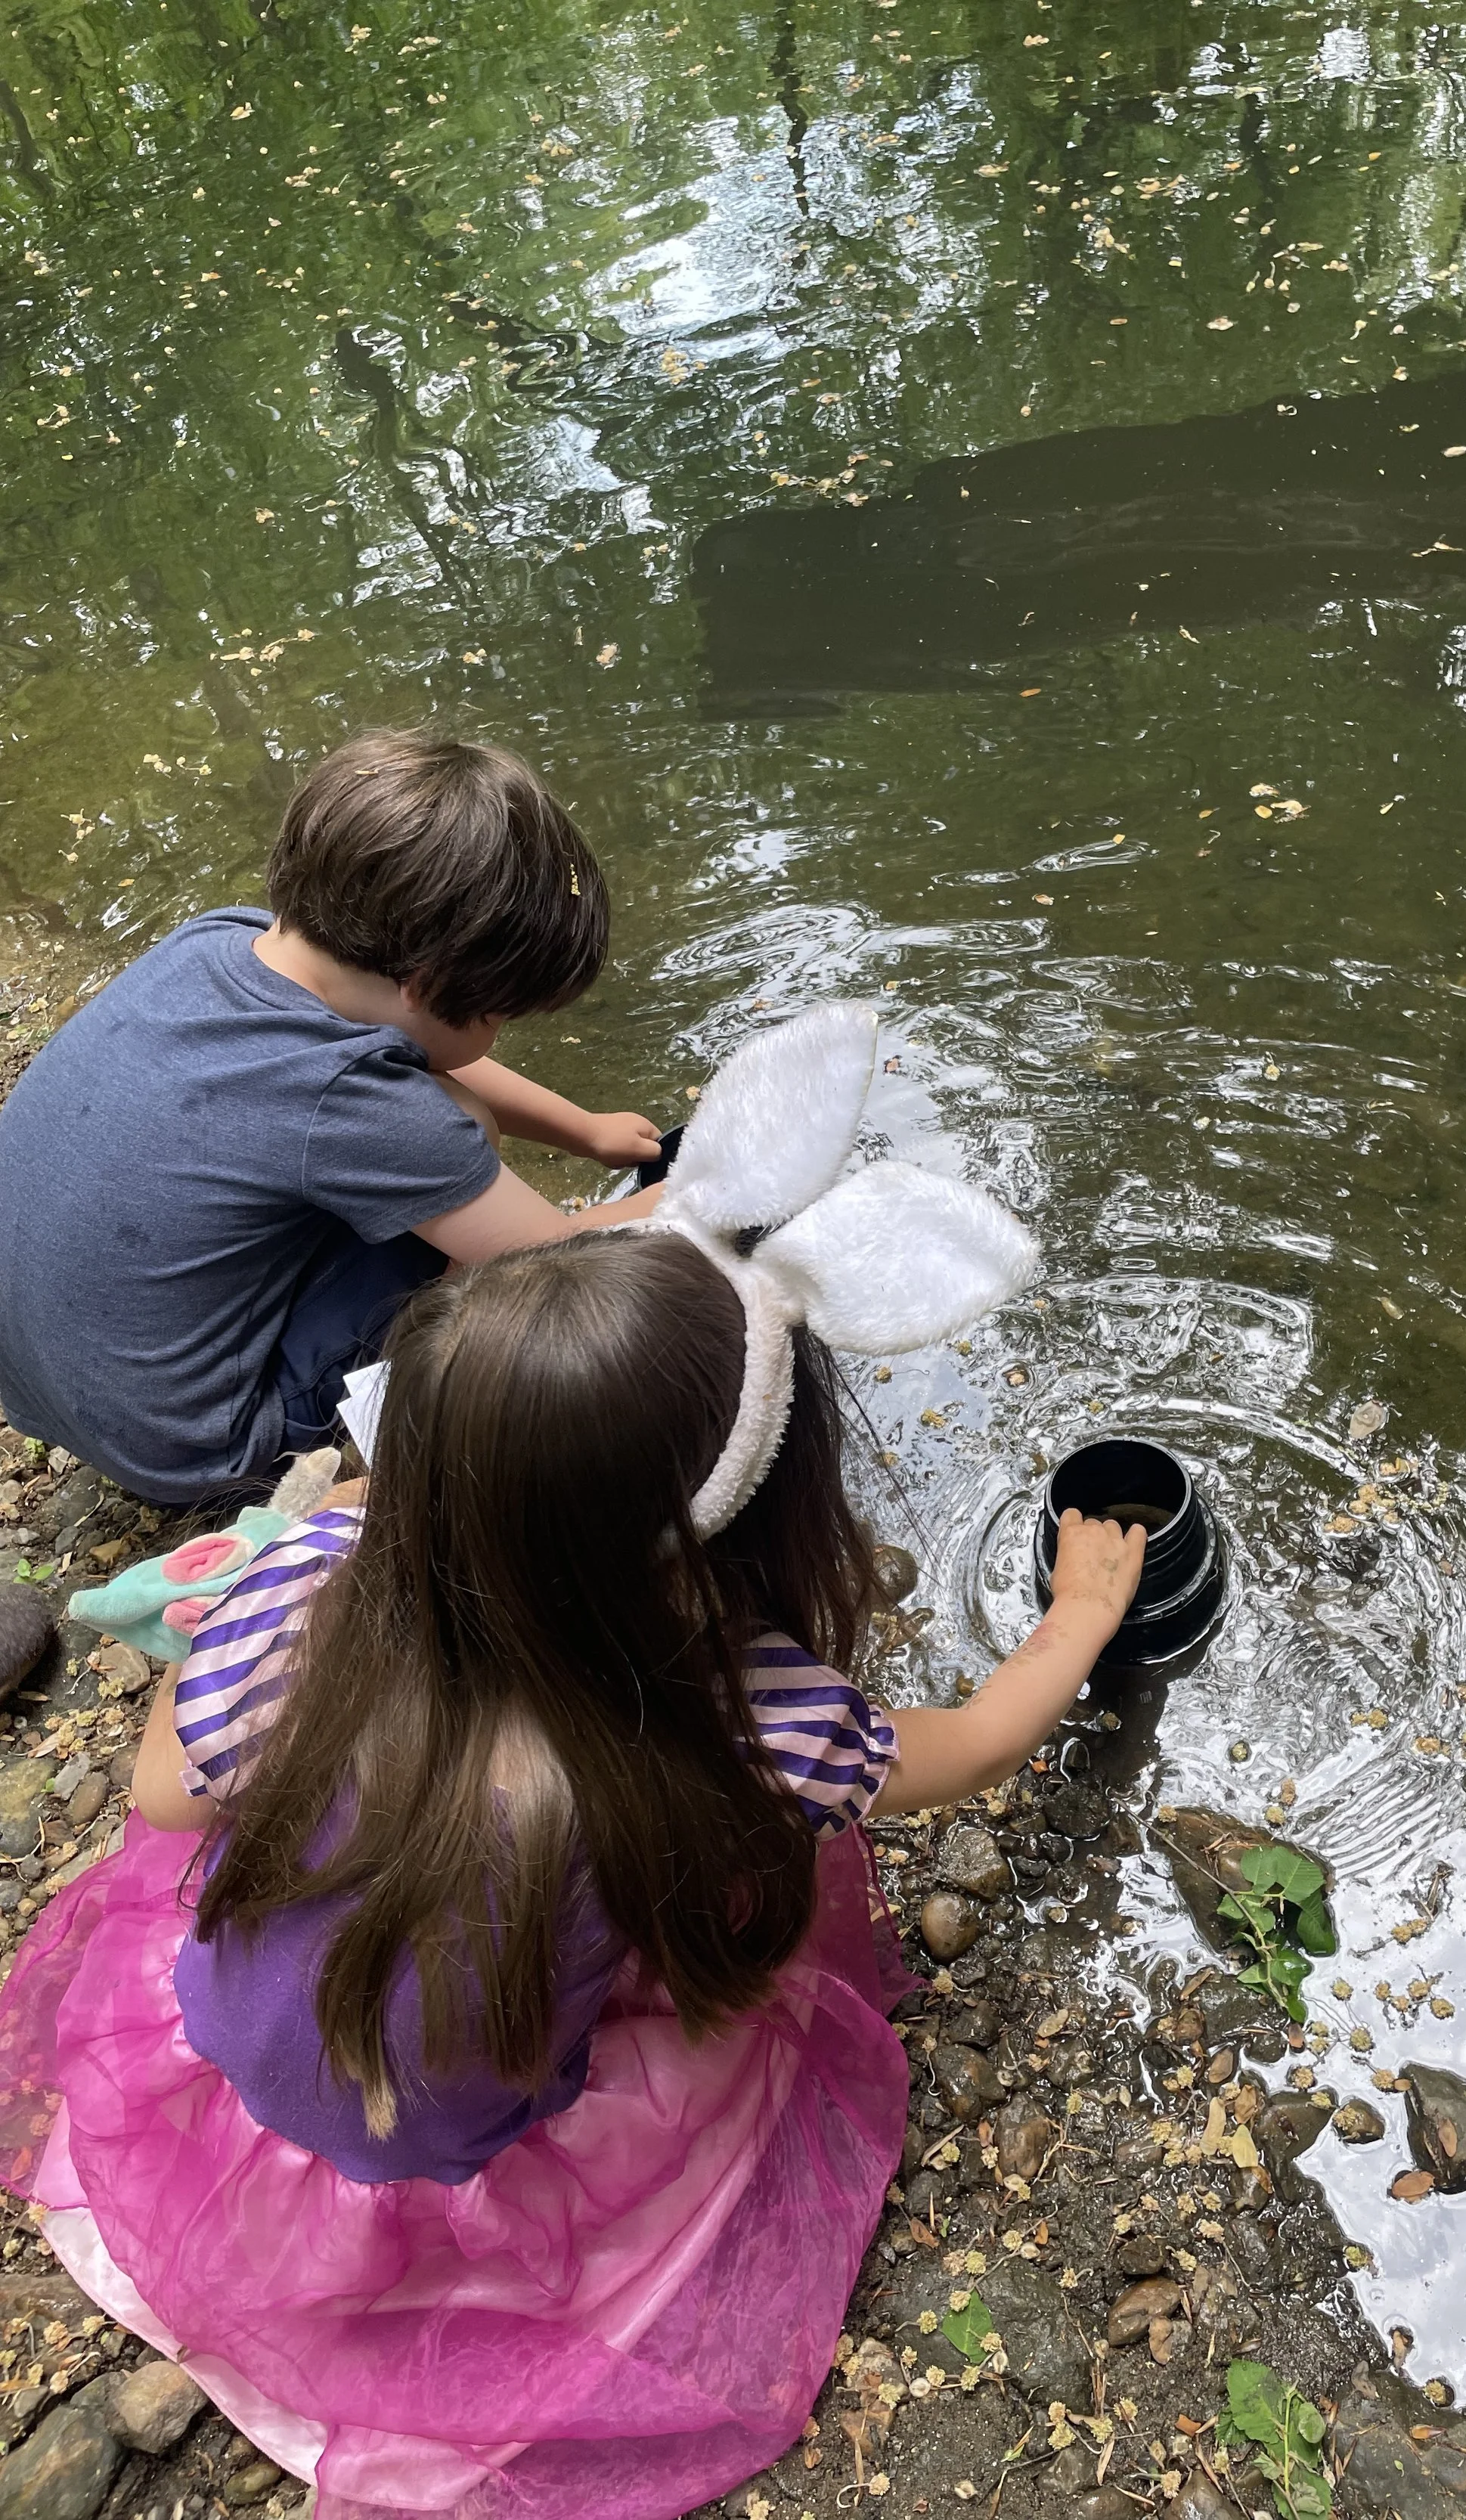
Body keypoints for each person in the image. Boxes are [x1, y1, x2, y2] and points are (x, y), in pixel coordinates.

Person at [0, 1009, 1144, 2520]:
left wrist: (290, 1586)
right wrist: (1076, 1620)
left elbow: (160, 1798)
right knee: (725, 1934)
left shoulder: (311, 1588)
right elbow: (977, 1744)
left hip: (237, 2054)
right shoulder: (739, 1716)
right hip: (469, 2130)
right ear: (741, 1521)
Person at [0, 729, 665, 1505]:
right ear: (422, 984)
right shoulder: (349, 1099)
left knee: (438, 1123)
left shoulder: (226, 937)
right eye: (496, 1014)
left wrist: (582, 1130)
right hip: (203, 1451)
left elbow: (429, 1051)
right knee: (462, 1141)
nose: (496, 1034)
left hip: (47, 1388)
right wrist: (702, 1193)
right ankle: (430, 1388)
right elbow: (548, 1261)